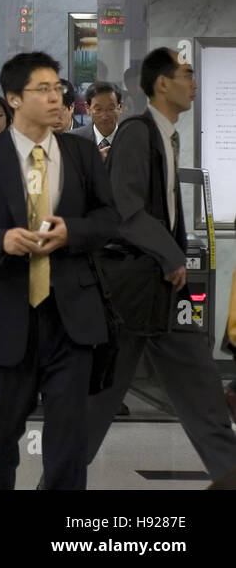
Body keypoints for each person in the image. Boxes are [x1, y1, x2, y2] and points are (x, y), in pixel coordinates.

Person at [0, 51, 118, 490]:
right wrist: (1, 240)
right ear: (14, 99)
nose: (56, 97)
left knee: (70, 437)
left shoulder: (80, 154)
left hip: (70, 316)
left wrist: (71, 232)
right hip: (3, 313)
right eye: (44, 89)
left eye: (58, 88)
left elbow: (110, 219)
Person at [85, 48, 236, 482]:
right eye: (186, 74)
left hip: (163, 293)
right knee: (99, 404)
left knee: (201, 389)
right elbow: (126, 208)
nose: (194, 82)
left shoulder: (168, 136)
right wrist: (172, 255)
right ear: (163, 84)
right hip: (133, 291)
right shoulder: (138, 132)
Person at [73, 82, 121, 159]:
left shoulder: (134, 140)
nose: (105, 116)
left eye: (110, 109)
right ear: (87, 108)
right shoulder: (72, 141)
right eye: (98, 109)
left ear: (120, 107)